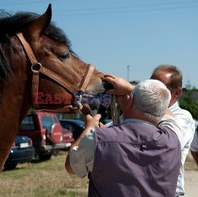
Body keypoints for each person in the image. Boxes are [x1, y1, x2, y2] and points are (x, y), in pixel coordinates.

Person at [65, 79, 182, 197]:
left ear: (130, 100)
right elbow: (165, 110)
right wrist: (130, 89)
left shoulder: (97, 139)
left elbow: (71, 167)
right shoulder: (173, 138)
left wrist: (89, 129)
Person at [150, 65, 196, 196]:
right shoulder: (140, 112)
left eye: (157, 88)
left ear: (177, 92)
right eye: (149, 85)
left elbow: (166, 145)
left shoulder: (183, 117)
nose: (150, 91)